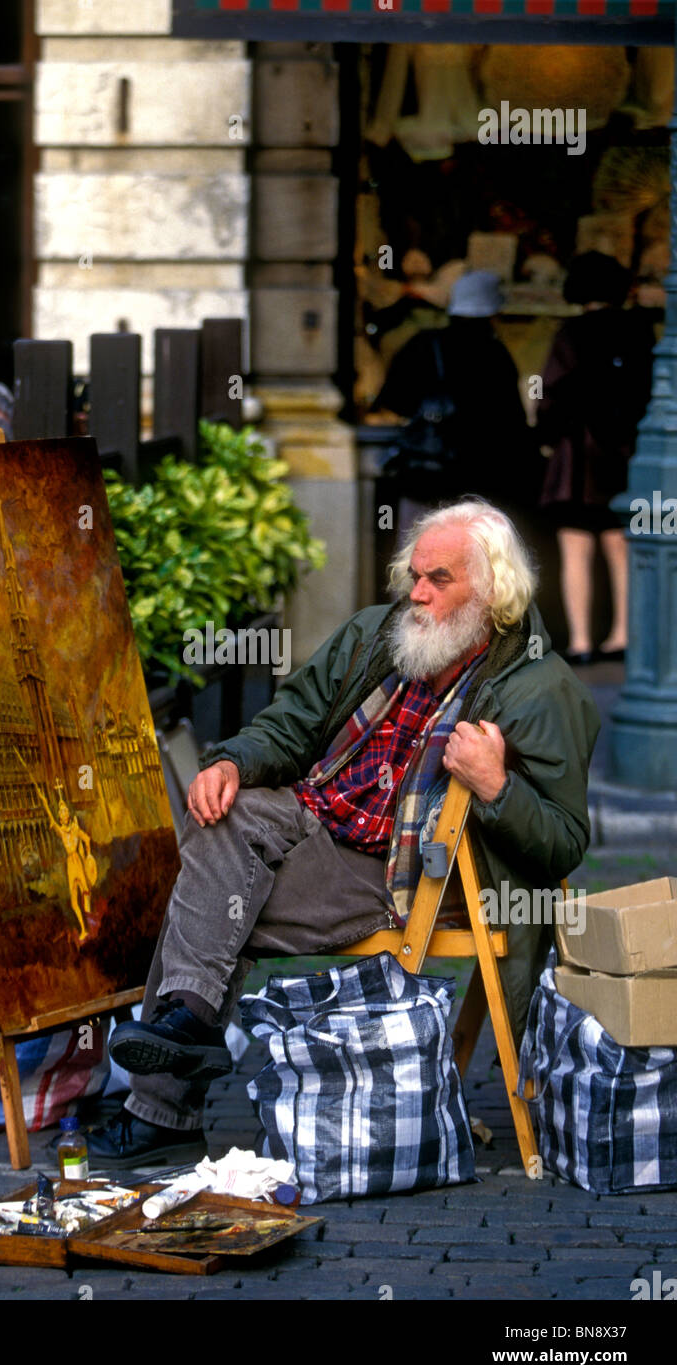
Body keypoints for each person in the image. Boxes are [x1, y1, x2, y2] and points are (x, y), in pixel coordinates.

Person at [88, 499, 600, 1167]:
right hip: (312, 813)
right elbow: (292, 721)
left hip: (400, 867)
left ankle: (160, 1101)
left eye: (439, 580)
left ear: (494, 592)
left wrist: (497, 785)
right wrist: (232, 761)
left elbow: (562, 842)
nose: (417, 593)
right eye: (415, 575)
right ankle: (183, 1029)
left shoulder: (542, 689)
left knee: (204, 897)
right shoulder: (377, 635)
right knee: (220, 813)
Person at [536, 252, 654, 665]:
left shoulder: (570, 334)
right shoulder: (639, 331)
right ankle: (622, 635)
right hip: (623, 456)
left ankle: (582, 641)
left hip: (576, 458)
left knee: (575, 552)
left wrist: (548, 432)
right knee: (622, 548)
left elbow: (549, 395)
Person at [365, 270, 537, 532]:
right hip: (480, 483)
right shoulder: (496, 356)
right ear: (491, 313)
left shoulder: (424, 344)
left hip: (426, 475)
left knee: (417, 555)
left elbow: (394, 403)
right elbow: (512, 425)